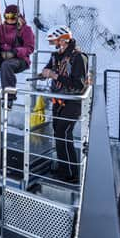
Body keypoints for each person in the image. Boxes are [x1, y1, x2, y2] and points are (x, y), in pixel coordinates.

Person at [42, 25, 88, 184]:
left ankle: (71, 174)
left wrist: (55, 76)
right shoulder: (56, 56)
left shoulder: (78, 57)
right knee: (59, 133)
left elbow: (79, 85)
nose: (53, 45)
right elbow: (48, 68)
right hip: (58, 100)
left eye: (54, 42)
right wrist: (45, 72)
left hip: (72, 102)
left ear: (63, 41)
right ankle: (66, 169)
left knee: (63, 132)